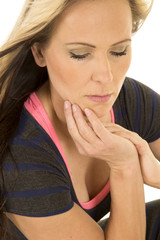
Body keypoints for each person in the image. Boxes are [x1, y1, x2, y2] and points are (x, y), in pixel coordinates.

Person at [0, 0, 160, 239]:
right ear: (39, 52)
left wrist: (157, 175)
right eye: (80, 54)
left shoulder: (130, 100)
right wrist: (125, 165)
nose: (106, 76)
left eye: (119, 51)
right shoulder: (22, 153)